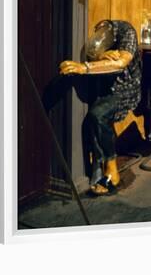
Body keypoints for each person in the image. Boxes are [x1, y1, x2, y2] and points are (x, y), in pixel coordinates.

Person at [59, 19, 141, 196]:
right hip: (104, 87)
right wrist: (102, 56)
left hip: (126, 88)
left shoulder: (127, 31)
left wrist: (84, 67)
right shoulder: (102, 32)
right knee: (95, 117)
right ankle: (100, 165)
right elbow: (95, 52)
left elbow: (121, 62)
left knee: (98, 115)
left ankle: (112, 171)